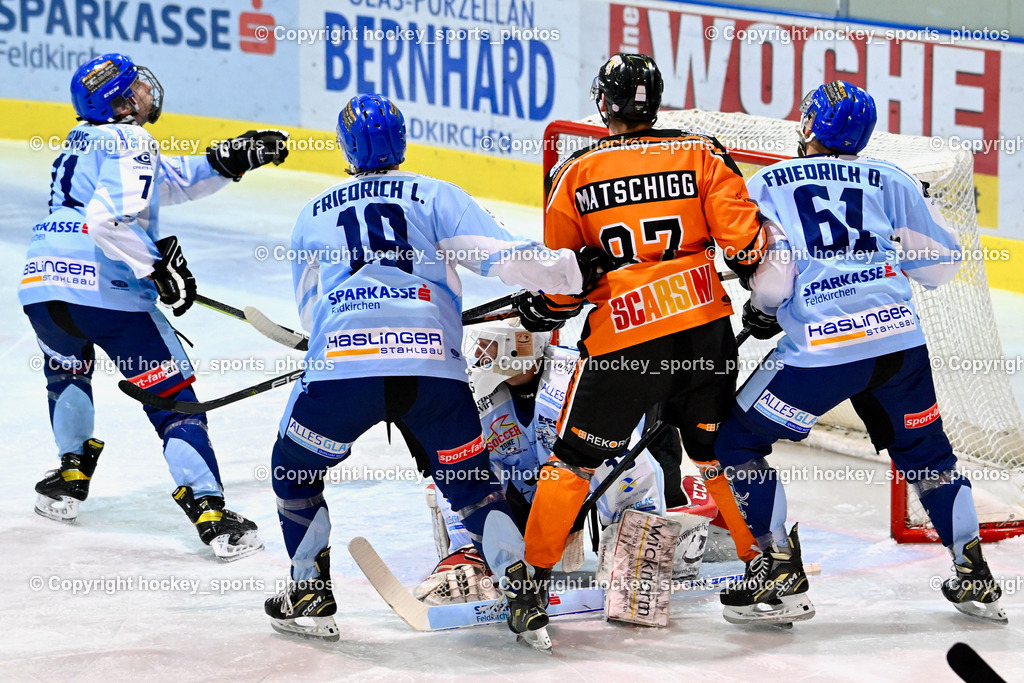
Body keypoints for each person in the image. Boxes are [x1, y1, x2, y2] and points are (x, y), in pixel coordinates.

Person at [262, 94, 606, 646]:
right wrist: (570, 273)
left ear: (344, 146)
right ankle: (523, 595)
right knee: (472, 488)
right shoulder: (436, 194)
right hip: (433, 372)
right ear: (402, 141)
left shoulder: (313, 212)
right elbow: (505, 256)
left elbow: (309, 312)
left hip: (342, 370)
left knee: (293, 470)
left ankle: (308, 590)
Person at [712, 80, 1005, 625]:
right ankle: (975, 575)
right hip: (900, 346)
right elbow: (941, 266)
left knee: (737, 439)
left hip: (822, 351)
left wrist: (763, 308)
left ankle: (776, 570)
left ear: (809, 127)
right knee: (930, 459)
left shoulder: (769, 181)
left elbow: (774, 282)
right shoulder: (891, 178)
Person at [514, 53, 767, 600]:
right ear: (653, 103)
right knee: (717, 454)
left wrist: (544, 309)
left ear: (603, 104)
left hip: (625, 338)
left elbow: (563, 280)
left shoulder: (574, 171)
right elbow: (746, 247)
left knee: (575, 460)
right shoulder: (702, 153)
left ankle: (532, 586)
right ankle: (765, 568)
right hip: (704, 330)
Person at [21, 53, 288, 560]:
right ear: (122, 102)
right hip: (105, 291)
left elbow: (166, 183)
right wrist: (156, 267)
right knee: (173, 401)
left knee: (66, 374)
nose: (147, 90)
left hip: (41, 287)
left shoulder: (85, 140)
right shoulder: (132, 138)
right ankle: (211, 513)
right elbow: (108, 221)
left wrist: (232, 159)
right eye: (137, 86)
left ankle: (68, 477)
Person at [415, 319, 684, 605]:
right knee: (455, 468)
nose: (479, 353)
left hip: (612, 476)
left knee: (636, 579)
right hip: (535, 483)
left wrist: (638, 542)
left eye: (488, 344)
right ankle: (470, 558)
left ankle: (643, 547)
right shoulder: (477, 388)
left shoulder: (579, 381)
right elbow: (464, 472)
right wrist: (474, 544)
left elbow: (634, 471)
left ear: (520, 347)